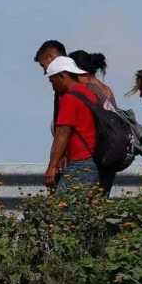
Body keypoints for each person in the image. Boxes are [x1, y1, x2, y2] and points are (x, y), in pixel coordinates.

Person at [43, 56, 100, 192]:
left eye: (53, 81)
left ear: (62, 76)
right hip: (94, 162)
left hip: (80, 163)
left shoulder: (70, 98)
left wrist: (52, 166)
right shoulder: (89, 94)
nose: (53, 87)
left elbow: (62, 134)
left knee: (61, 210)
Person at [69, 50, 117, 195]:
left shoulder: (85, 89)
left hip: (92, 156)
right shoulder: (106, 89)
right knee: (99, 203)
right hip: (109, 154)